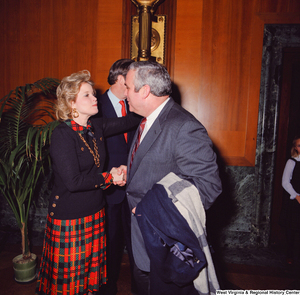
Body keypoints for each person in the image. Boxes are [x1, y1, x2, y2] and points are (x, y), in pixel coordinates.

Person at [35, 70, 140, 295]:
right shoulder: (62, 134)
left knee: (89, 281)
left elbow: (130, 120)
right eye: (87, 95)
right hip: (70, 217)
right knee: (69, 284)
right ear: (71, 103)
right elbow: (73, 181)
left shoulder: (96, 127)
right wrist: (110, 176)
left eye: (93, 94)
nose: (95, 99)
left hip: (95, 212)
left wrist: (140, 98)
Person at [124, 61, 222, 295]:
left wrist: (151, 209)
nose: (124, 93)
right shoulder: (147, 119)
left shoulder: (184, 126)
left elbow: (208, 186)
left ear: (145, 90)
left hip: (163, 242)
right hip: (141, 240)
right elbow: (158, 168)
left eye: (127, 87)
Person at [97, 59, 137, 295]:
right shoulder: (95, 105)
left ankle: (139, 287)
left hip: (134, 188)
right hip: (108, 191)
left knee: (136, 243)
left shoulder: (136, 105)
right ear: (122, 79)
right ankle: (108, 286)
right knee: (110, 243)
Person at [281, 135, 300, 264]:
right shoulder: (292, 162)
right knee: (292, 228)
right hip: (295, 199)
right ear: (295, 148)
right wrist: (297, 196)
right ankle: (290, 254)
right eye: (299, 145)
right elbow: (285, 182)